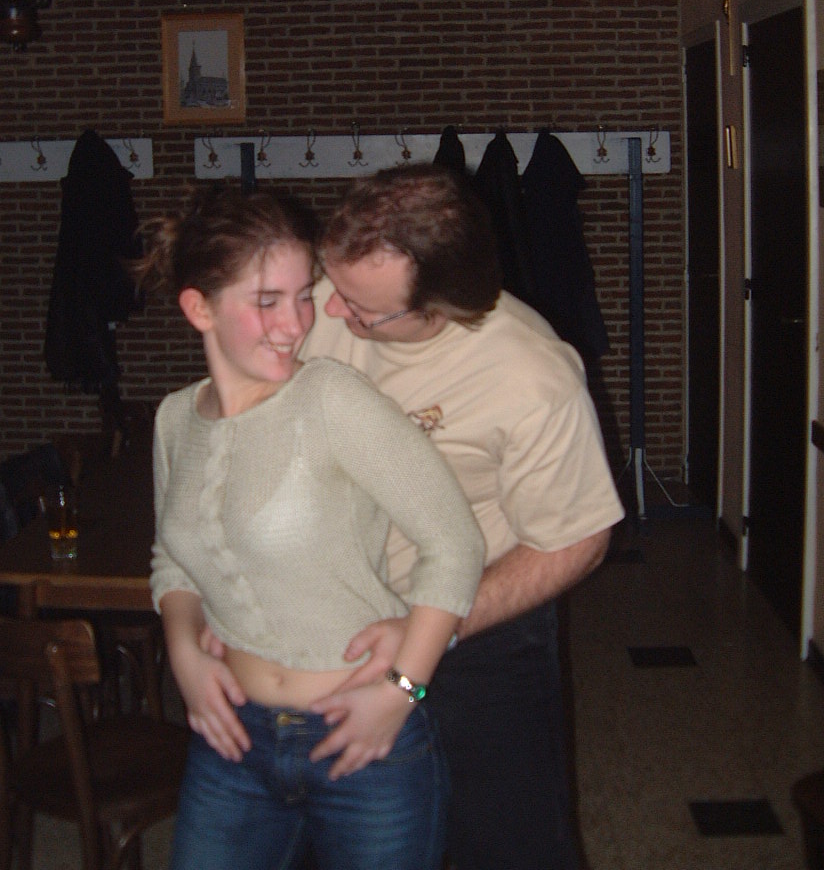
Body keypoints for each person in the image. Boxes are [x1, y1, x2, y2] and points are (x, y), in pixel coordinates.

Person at [139, 187, 485, 870]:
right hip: (232, 738)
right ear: (199, 308)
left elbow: (455, 543)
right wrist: (183, 651)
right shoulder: (175, 420)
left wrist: (403, 691)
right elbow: (172, 562)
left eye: (303, 296)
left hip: (364, 738)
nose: (295, 323)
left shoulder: (331, 398)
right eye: (267, 301)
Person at [299, 164, 626, 870]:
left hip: (480, 631)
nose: (332, 313)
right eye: (333, 287)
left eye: (361, 310)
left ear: (441, 308)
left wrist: (427, 638)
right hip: (336, 620)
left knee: (508, 844)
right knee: (336, 840)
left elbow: (576, 541)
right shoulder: (332, 295)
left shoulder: (531, 375)